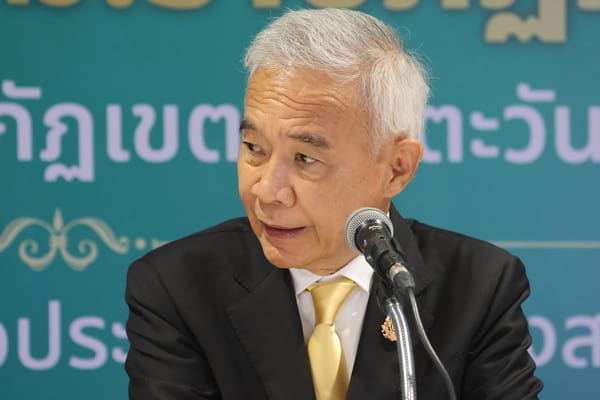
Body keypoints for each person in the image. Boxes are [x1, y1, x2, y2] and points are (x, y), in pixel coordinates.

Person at [125, 8, 543, 400]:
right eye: (254, 148)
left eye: (305, 158)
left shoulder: (479, 288)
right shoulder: (178, 288)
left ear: (396, 168)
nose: (267, 191)